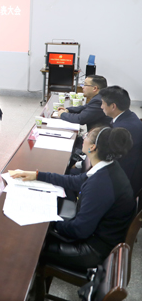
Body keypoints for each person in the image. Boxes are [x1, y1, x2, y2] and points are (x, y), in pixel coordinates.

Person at [13, 126, 136, 271]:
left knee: (27, 243)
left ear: (93, 147)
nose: (83, 138)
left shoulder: (101, 184)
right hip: (98, 236)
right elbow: (74, 181)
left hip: (92, 250)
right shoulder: (108, 167)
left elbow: (80, 230)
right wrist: (38, 175)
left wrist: (49, 222)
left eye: (87, 136)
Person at [100, 86, 142, 194]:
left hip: (122, 182)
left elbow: (108, 158)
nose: (101, 107)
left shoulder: (122, 129)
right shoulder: (129, 116)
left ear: (113, 106)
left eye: (103, 103)